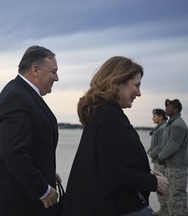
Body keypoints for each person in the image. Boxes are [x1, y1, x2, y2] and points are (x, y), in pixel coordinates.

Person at [61, 56, 169, 216]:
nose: (139, 93)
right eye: (137, 85)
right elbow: (112, 172)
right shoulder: (109, 117)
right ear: (117, 83)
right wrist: (153, 182)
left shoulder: (104, 114)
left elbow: (113, 163)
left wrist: (148, 174)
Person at [0, 45, 61, 216]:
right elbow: (14, 152)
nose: (57, 78)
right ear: (35, 70)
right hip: (12, 203)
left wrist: (46, 171)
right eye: (53, 71)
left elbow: (30, 144)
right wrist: (42, 189)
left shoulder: (23, 93)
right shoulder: (17, 97)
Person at [157, 99, 188, 216]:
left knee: (177, 198)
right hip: (171, 166)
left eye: (169, 107)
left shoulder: (177, 125)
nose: (166, 109)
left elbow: (173, 146)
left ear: (176, 109)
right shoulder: (172, 123)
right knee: (170, 197)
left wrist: (160, 156)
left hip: (177, 167)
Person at [147, 108, 168, 216]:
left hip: (160, 162)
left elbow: (161, 145)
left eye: (155, 116)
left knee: (161, 185)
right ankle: (164, 208)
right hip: (157, 160)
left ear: (161, 117)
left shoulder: (163, 128)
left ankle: (165, 210)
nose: (153, 118)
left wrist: (153, 153)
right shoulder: (159, 128)